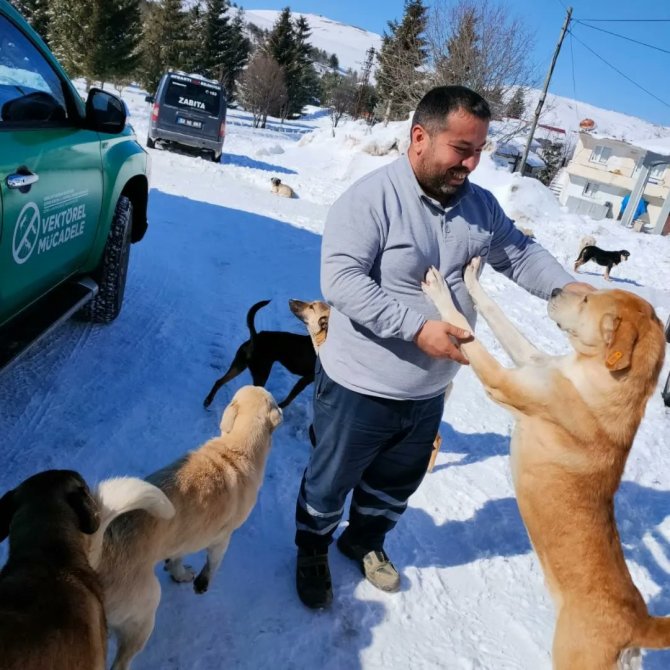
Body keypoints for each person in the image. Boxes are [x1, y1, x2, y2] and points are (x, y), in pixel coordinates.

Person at [294, 85, 593, 610]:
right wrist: (416, 328)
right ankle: (312, 548)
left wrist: (567, 289)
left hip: (429, 390)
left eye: (479, 150)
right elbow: (340, 281)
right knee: (330, 479)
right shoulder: (370, 200)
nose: (473, 163)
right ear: (419, 138)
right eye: (461, 149)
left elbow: (519, 255)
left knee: (395, 484)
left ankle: (363, 540)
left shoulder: (480, 207)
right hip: (359, 386)